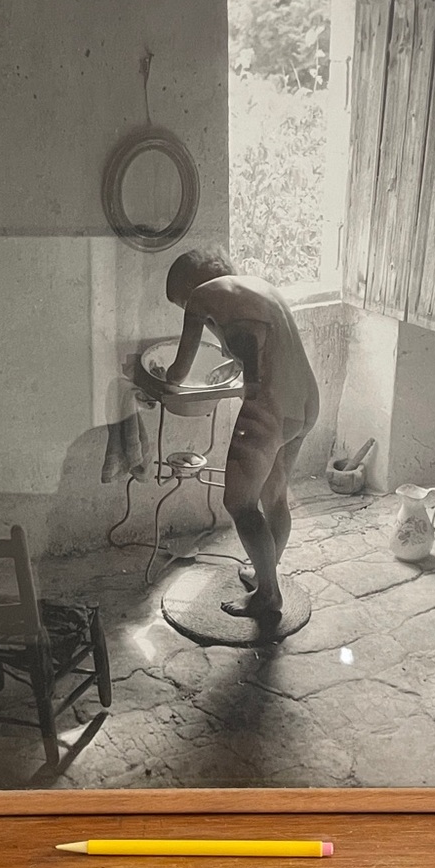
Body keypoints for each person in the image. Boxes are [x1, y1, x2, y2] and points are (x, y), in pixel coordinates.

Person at [165, 250, 319, 620]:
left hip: (271, 409)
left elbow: (180, 370)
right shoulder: (260, 287)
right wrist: (234, 367)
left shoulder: (202, 297)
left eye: (181, 303)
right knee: (274, 495)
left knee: (239, 503)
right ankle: (264, 573)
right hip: (306, 403)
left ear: (188, 288)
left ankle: (268, 595)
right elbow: (254, 344)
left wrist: (156, 380)